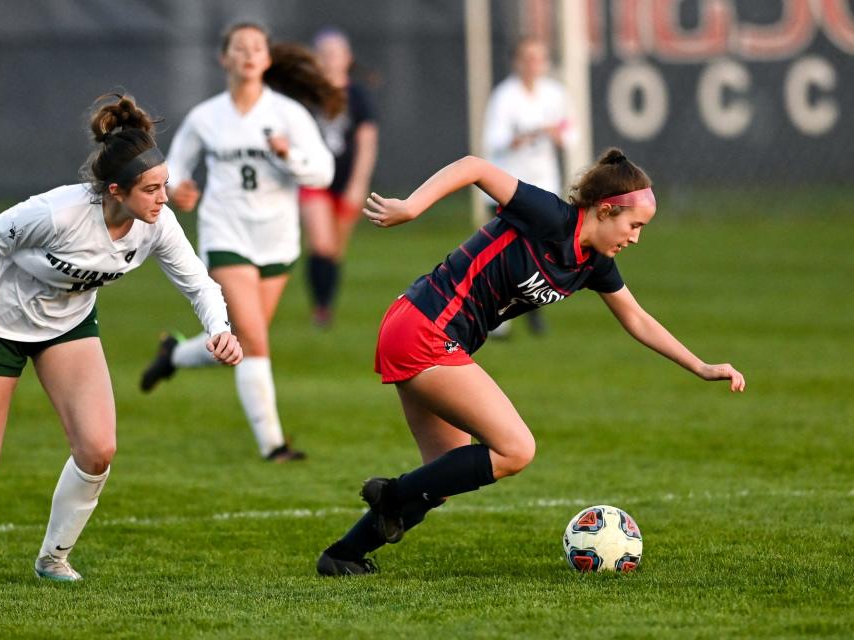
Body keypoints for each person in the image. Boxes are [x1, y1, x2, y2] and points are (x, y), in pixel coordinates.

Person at [316, 149, 746, 576]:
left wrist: (701, 366)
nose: (635, 237)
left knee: (442, 479)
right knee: (516, 449)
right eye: (633, 225)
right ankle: (391, 496)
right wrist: (411, 207)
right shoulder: (550, 217)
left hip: (430, 333)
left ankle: (343, 555)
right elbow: (474, 167)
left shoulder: (593, 262)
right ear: (604, 210)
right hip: (424, 328)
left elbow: (636, 319)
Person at [0, 94, 242, 582]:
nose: (164, 198)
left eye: (164, 185)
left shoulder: (156, 224)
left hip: (67, 327)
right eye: (151, 189)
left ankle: (52, 558)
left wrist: (220, 330)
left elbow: (198, 282)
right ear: (114, 190)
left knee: (98, 448)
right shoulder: (61, 213)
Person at [139, 22, 337, 462]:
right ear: (223, 58)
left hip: (277, 240)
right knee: (252, 338)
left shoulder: (288, 114)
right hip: (225, 234)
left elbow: (323, 173)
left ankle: (174, 355)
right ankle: (274, 445)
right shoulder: (206, 117)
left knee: (242, 343)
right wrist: (181, 190)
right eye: (239, 47)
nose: (248, 54)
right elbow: (172, 175)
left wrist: (290, 156)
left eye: (257, 48)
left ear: (267, 59)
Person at [482, 36, 575, 337]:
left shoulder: (555, 94)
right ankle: (500, 322)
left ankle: (527, 308)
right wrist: (531, 134)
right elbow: (494, 142)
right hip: (508, 185)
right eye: (528, 57)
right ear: (517, 61)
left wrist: (558, 136)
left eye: (539, 57)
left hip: (544, 184)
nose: (534, 64)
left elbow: (571, 133)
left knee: (536, 253)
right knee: (504, 254)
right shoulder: (504, 97)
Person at [299, 27, 378, 328]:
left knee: (335, 250)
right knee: (322, 244)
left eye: (335, 53)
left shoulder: (358, 95)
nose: (330, 59)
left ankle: (325, 304)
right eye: (324, 54)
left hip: (346, 181)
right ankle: (320, 309)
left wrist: (359, 184)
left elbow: (367, 141)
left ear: (347, 58)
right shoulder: (306, 95)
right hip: (314, 181)